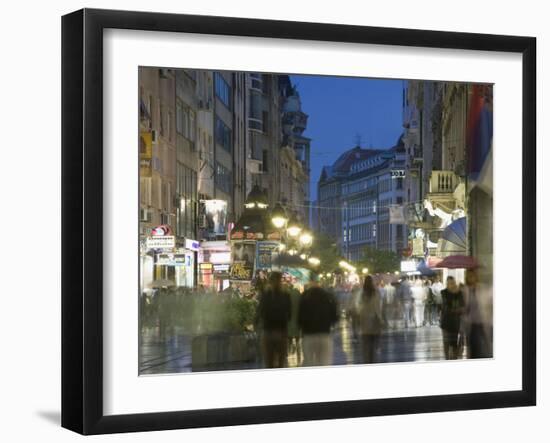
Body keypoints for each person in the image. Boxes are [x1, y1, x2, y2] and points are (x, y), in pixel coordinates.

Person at [298, 273, 338, 367]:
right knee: (324, 363)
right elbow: (334, 316)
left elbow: (299, 317)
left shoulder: (304, 296)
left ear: (309, 281)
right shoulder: (328, 296)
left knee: (309, 363)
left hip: (309, 335)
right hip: (324, 334)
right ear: (319, 282)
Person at [256, 272, 291, 368]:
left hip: (268, 331)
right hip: (281, 331)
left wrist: (257, 324)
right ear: (280, 281)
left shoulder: (265, 295)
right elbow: (289, 315)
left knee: (269, 363)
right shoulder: (286, 296)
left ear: (270, 282)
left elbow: (260, 311)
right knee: (281, 363)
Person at [463, 268, 493, 359]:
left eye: (472, 276)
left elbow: (490, 302)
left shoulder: (483, 288)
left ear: (476, 277)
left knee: (486, 347)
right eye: (468, 276)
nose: (470, 278)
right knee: (474, 348)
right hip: (472, 324)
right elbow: (464, 307)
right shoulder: (465, 290)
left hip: (484, 322)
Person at [359, 275, 384, 363]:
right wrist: (381, 319)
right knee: (374, 345)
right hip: (374, 320)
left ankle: (367, 361)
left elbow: (359, 306)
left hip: (364, 321)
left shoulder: (362, 293)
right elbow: (377, 307)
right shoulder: (376, 292)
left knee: (366, 346)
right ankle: (373, 361)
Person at [440, 276, 465, 359]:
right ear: (446, 284)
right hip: (446, 322)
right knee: (446, 342)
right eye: (450, 283)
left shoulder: (460, 293)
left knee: (454, 343)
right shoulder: (444, 293)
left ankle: (454, 358)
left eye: (453, 283)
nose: (452, 285)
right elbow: (446, 307)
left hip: (456, 322)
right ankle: (447, 358)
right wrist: (457, 310)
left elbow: (463, 306)